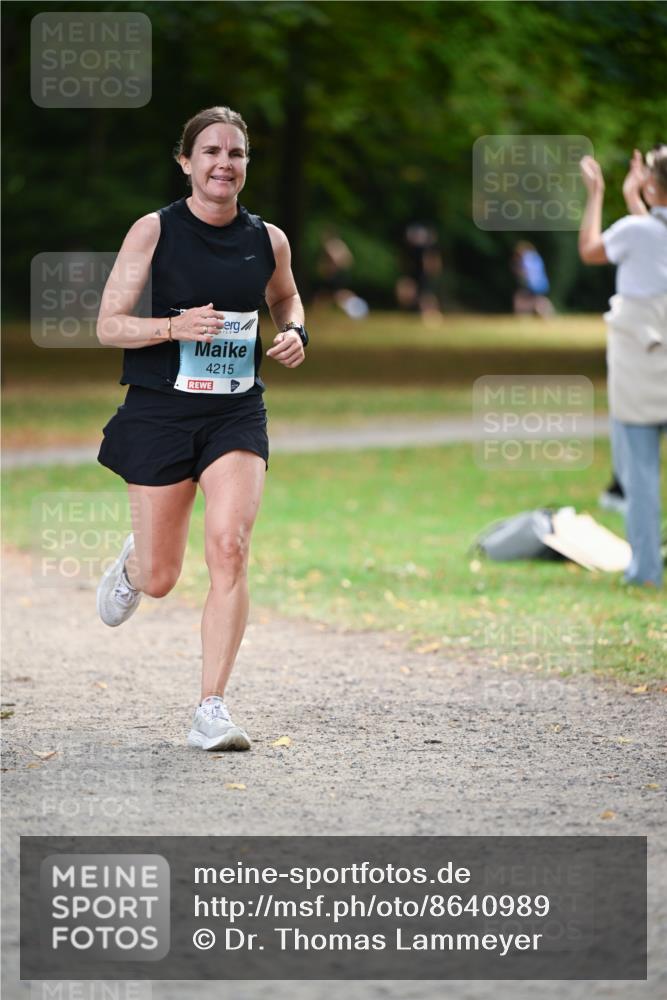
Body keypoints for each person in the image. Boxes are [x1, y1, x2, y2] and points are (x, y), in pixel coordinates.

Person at [95, 106, 309, 749]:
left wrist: (295, 329)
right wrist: (171, 327)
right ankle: (136, 566)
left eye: (236, 153)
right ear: (186, 161)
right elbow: (108, 324)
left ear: (246, 165)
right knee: (164, 577)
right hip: (160, 409)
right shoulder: (153, 232)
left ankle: (211, 708)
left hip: (234, 411)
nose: (224, 163)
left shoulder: (267, 238)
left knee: (230, 546)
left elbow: (286, 297)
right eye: (210, 151)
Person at [579, 145, 667, 587]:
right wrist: (641, 198)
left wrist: (597, 193)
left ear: (653, 185)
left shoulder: (634, 232)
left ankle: (646, 570)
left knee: (641, 474)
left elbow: (593, 250)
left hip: (641, 375)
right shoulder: (641, 230)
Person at [511, 241, 554, 317]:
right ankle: (544, 310)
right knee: (536, 299)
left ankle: (523, 315)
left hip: (531, 284)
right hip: (542, 284)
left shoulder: (525, 258)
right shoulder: (536, 257)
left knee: (519, 299)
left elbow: (524, 272)